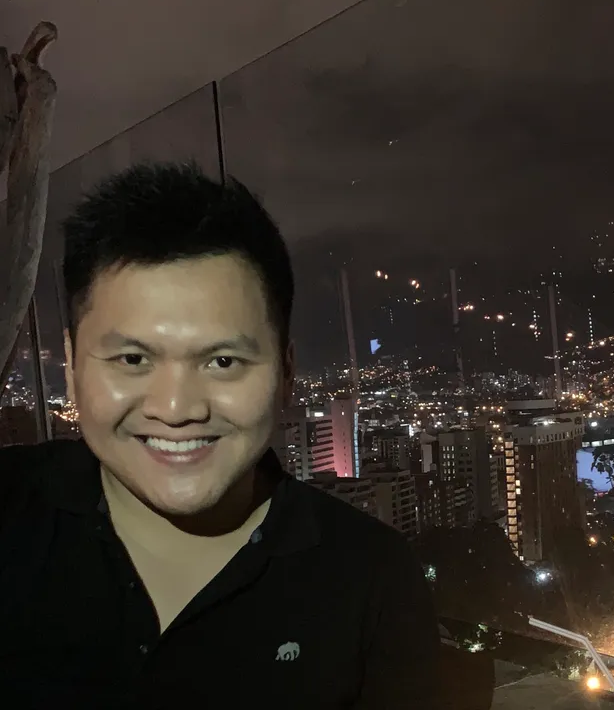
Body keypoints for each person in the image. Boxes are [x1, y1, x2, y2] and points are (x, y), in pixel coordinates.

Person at [0, 163, 440, 708]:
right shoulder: (10, 512)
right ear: (70, 366)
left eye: (223, 361)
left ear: (286, 373)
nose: (176, 409)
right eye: (132, 359)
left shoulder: (370, 579)